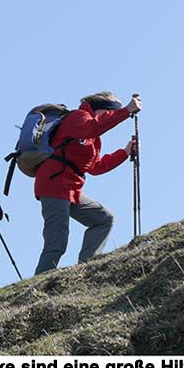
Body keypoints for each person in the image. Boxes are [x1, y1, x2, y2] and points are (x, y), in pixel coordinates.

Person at [34, 91, 142, 274]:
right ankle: (37, 287)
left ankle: (87, 268)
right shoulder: (79, 117)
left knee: (103, 219)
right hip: (54, 184)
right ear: (101, 110)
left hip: (70, 189)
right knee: (57, 242)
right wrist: (126, 111)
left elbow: (96, 167)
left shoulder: (91, 135)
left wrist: (124, 152)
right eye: (108, 113)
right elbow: (94, 126)